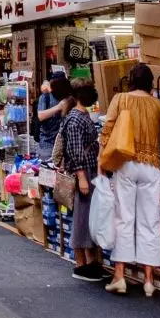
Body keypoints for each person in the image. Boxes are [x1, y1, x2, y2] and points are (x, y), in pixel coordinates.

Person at [100, 62, 160, 296]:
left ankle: (119, 276)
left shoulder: (121, 100)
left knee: (124, 218)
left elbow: (107, 131)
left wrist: (103, 159)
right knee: (149, 221)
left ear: (131, 80)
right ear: (150, 83)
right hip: (152, 166)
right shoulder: (158, 105)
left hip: (126, 163)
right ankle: (148, 280)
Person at [57, 80, 108, 281]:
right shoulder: (75, 119)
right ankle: (81, 265)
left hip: (90, 172)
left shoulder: (82, 115)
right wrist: (82, 178)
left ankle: (91, 262)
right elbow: (75, 151)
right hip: (84, 173)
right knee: (82, 217)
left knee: (91, 217)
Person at [35, 73, 67, 160]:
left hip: (63, 144)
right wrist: (59, 107)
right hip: (47, 144)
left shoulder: (67, 96)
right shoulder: (45, 97)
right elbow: (41, 116)